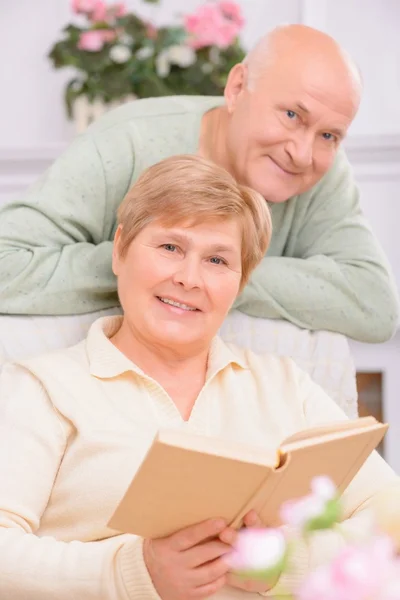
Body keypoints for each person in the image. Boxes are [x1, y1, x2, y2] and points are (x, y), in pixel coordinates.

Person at [0, 155, 399, 600]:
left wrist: (284, 562)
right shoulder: (41, 389)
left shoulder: (286, 385)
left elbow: (391, 518)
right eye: (170, 247)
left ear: (241, 281)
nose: (189, 278)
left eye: (217, 260)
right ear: (120, 250)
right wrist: (134, 573)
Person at [0, 25, 398, 343]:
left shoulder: (324, 174)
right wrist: (141, 266)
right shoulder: (127, 141)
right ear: (237, 87)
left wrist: (222, 275)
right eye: (292, 114)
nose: (303, 153)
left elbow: (375, 304)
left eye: (330, 135)